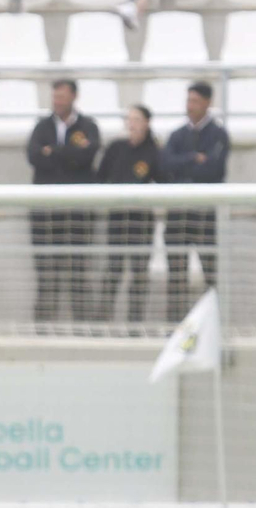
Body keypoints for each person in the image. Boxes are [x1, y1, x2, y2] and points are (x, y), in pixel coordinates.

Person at [28, 78, 101, 323]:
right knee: (46, 274)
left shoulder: (88, 126)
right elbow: (34, 156)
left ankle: (82, 326)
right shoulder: (42, 126)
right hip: (45, 214)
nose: (57, 101)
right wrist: (68, 155)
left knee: (78, 271)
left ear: (73, 97)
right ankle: (44, 327)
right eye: (55, 96)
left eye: (61, 96)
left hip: (77, 214)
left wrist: (54, 152)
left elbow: (87, 156)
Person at [160, 81, 230, 322]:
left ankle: (214, 324)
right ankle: (175, 325)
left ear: (208, 103)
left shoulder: (218, 135)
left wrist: (184, 166)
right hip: (178, 214)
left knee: (210, 271)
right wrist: (193, 158)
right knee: (176, 274)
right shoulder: (177, 135)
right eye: (188, 100)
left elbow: (214, 170)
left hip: (203, 215)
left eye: (195, 101)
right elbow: (165, 166)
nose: (190, 106)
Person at [97, 104, 160, 325]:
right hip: (117, 220)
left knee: (139, 273)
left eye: (136, 119)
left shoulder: (154, 151)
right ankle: (103, 322)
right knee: (112, 270)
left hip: (141, 222)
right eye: (129, 119)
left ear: (146, 123)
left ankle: (135, 324)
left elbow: (164, 181)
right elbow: (100, 177)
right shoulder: (116, 148)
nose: (131, 124)